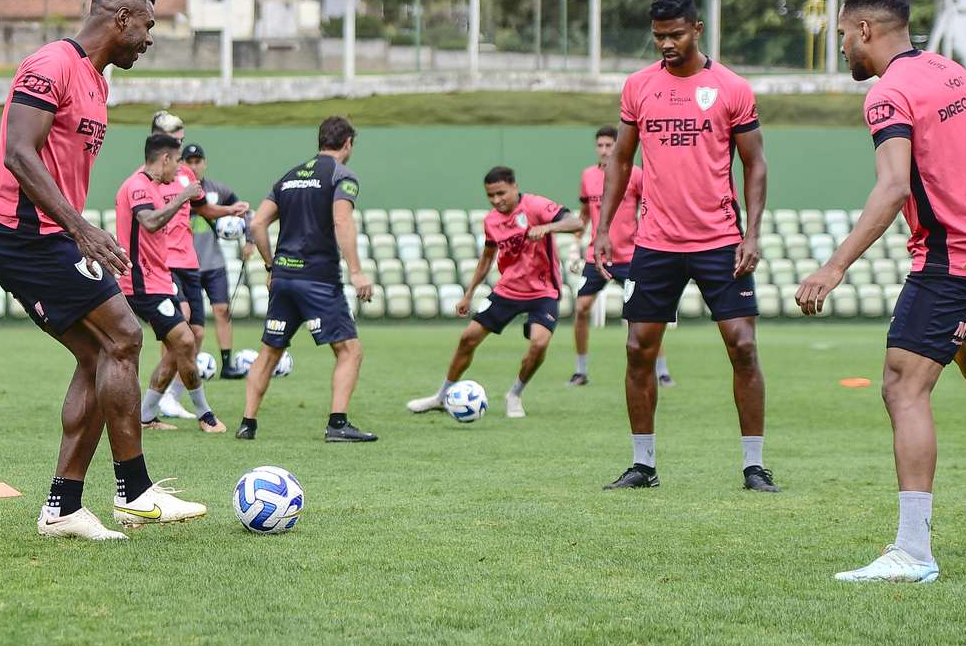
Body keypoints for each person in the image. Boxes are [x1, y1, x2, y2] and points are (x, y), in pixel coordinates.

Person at [796, 0, 966, 583]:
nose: (844, 46)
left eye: (844, 34)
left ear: (865, 30)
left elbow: (894, 186)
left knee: (903, 386)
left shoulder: (886, 93)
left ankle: (913, 551)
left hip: (950, 259)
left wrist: (835, 264)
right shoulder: (949, 71)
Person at [0, 0, 206, 541]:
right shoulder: (50, 63)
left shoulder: (98, 83)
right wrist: (79, 229)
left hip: (51, 232)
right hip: (22, 232)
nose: (149, 40)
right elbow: (18, 154)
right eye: (148, 26)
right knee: (125, 336)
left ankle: (63, 508)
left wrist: (75, 225)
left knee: (101, 357)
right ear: (121, 17)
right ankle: (136, 492)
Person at [595, 0, 775, 493]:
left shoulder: (731, 87)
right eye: (658, 36)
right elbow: (622, 162)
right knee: (637, 350)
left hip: (720, 240)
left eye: (675, 34)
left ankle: (754, 466)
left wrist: (752, 233)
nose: (666, 44)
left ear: (697, 28)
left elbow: (755, 163)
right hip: (656, 242)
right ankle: (643, 465)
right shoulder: (638, 87)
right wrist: (604, 228)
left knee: (742, 346)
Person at [237, 116, 376, 442]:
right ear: (348, 144)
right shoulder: (342, 176)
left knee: (269, 351)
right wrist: (356, 272)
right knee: (349, 351)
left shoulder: (288, 177)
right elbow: (342, 221)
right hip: (318, 279)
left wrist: (272, 267)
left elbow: (256, 225)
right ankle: (338, 424)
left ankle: (248, 423)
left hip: (284, 278)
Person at [407, 166, 583, 419]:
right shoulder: (491, 220)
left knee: (539, 343)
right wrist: (468, 294)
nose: (496, 200)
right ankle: (441, 396)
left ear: (514, 187)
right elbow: (487, 258)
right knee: (468, 338)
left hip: (543, 291)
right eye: (491, 195)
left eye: (501, 193)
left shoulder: (536, 205)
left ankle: (515, 395)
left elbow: (576, 222)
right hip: (507, 290)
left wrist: (547, 228)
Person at [116, 134, 225, 434]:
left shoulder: (155, 185)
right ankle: (205, 416)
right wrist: (182, 197)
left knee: (181, 345)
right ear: (165, 159)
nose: (178, 169)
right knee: (186, 341)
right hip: (141, 283)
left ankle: (147, 416)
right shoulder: (137, 185)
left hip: (160, 279)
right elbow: (149, 221)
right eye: (177, 162)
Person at [150, 113, 244, 416]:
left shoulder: (188, 177)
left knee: (197, 334)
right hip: (166, 262)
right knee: (180, 326)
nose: (180, 140)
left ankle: (170, 395)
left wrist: (232, 209)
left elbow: (204, 209)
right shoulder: (149, 175)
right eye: (175, 135)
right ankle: (157, 399)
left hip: (190, 262)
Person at [567, 126, 672, 388]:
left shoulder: (635, 175)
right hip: (597, 257)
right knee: (580, 309)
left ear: (618, 146)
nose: (604, 150)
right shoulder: (588, 176)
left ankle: (661, 371)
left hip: (629, 257)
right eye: (600, 145)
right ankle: (580, 371)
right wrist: (575, 244)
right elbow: (583, 214)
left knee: (643, 316)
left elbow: (652, 207)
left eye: (609, 145)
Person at [181, 143, 252, 379]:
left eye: (197, 161)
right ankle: (184, 368)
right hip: (186, 265)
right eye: (188, 161)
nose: (193, 165)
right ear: (182, 164)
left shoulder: (217, 190)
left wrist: (250, 240)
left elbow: (245, 212)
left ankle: (227, 364)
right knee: (187, 320)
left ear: (204, 163)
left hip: (214, 264)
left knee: (222, 310)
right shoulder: (176, 190)